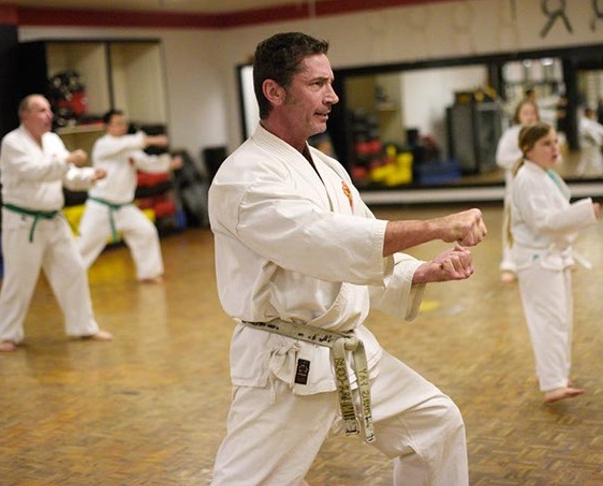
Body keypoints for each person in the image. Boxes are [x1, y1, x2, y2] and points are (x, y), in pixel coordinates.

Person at [208, 32, 487, 486]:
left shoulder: (328, 167)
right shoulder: (244, 177)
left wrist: (424, 270)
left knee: (436, 425)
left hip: (350, 352)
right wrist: (435, 226)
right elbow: (325, 242)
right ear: (274, 92)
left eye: (331, 83)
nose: (333, 96)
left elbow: (363, 239)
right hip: (286, 367)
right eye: (317, 84)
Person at [0, 94, 113, 352]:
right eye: (40, 110)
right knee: (19, 279)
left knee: (73, 270)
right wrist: (67, 161)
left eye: (49, 110)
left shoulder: (52, 140)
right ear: (25, 115)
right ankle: (6, 334)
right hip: (23, 221)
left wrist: (91, 175)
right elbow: (34, 171)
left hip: (53, 219)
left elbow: (68, 177)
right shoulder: (12, 143)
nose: (48, 115)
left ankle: (84, 327)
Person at [507, 122, 600, 403]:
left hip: (549, 257)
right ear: (528, 149)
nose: (554, 148)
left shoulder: (541, 175)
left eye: (555, 142)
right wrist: (584, 213)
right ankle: (552, 384)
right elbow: (543, 222)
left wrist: (581, 214)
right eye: (546, 144)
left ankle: (555, 375)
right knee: (550, 321)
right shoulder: (526, 178)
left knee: (559, 320)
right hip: (538, 260)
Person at [76, 109, 183, 283]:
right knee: (84, 245)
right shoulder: (103, 145)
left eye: (124, 123)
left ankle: (149, 273)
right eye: (117, 124)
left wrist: (169, 164)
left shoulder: (130, 149)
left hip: (124, 207)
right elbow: (127, 144)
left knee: (146, 232)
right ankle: (68, 278)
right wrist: (152, 139)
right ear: (108, 127)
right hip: (100, 207)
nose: (122, 127)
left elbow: (147, 163)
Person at [495, 98, 539, 283]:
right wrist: (523, 160)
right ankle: (509, 264)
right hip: (516, 189)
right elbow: (501, 158)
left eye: (532, 112)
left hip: (537, 189)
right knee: (511, 226)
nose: (529, 116)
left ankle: (536, 262)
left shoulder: (541, 133)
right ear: (518, 116)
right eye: (525, 113)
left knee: (537, 224)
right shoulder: (511, 135)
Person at [576, 107, 603, 176]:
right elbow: (591, 133)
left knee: (585, 158)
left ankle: (580, 172)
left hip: (590, 144)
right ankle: (599, 172)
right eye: (592, 112)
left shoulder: (590, 121)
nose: (593, 114)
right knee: (596, 157)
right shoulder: (584, 123)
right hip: (589, 143)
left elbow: (599, 128)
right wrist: (600, 141)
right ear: (588, 113)